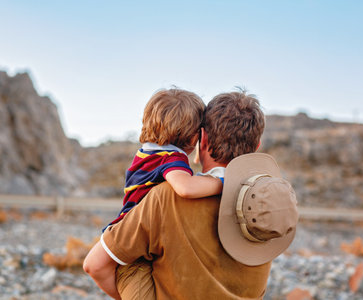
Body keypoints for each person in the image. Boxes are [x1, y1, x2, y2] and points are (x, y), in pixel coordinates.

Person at [84, 90, 299, 300]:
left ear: (202, 139)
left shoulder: (165, 197)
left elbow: (94, 265)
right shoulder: (270, 202)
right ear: (257, 146)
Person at [104, 88, 222, 228]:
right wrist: (224, 182)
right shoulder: (170, 159)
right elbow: (186, 188)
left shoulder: (146, 152)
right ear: (194, 137)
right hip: (135, 230)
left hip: (125, 224)